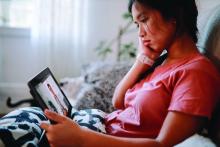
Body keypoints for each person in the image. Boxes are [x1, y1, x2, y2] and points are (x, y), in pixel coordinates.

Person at [0, 0, 220, 146]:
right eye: (137, 25)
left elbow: (161, 144)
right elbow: (118, 101)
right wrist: (143, 61)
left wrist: (83, 139)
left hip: (97, 137)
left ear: (174, 16)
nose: (140, 34)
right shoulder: (163, 62)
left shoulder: (196, 72)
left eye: (144, 20)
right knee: (22, 119)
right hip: (97, 124)